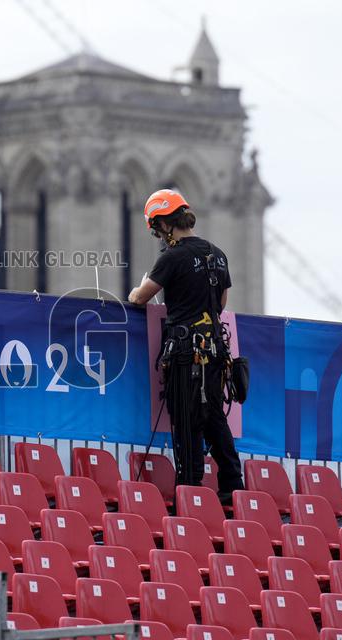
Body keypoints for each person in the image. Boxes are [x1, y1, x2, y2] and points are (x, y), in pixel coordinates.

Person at [127, 188, 244, 502]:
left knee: (187, 418)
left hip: (186, 353)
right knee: (214, 415)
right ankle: (233, 485)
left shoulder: (173, 256)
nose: (159, 237)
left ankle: (190, 489)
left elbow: (141, 297)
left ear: (165, 223)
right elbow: (221, 303)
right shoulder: (217, 254)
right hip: (215, 350)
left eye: (157, 230)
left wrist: (136, 291)